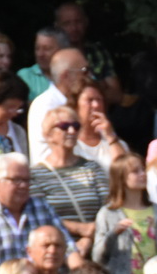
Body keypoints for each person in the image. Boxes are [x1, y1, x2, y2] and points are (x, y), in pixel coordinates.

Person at [30, 104, 106, 257]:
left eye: (76, 126)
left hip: (97, 246)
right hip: (57, 250)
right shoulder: (36, 174)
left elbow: (108, 206)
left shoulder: (92, 168)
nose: (71, 131)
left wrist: (88, 239)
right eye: (64, 127)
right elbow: (41, 215)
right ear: (48, 134)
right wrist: (80, 229)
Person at [91, 152, 157, 274]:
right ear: (120, 177)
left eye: (143, 169)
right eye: (135, 171)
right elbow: (97, 256)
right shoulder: (108, 213)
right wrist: (113, 233)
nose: (142, 174)